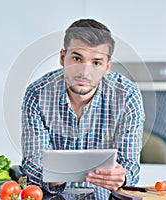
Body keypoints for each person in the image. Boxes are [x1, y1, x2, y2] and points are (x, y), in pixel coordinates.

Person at [21, 18, 145, 199]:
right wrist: (48, 175)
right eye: (77, 58)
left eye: (96, 62)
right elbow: (33, 162)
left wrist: (122, 176)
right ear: (63, 57)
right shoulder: (37, 94)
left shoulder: (127, 96)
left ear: (107, 66)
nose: (84, 72)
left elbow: (130, 166)